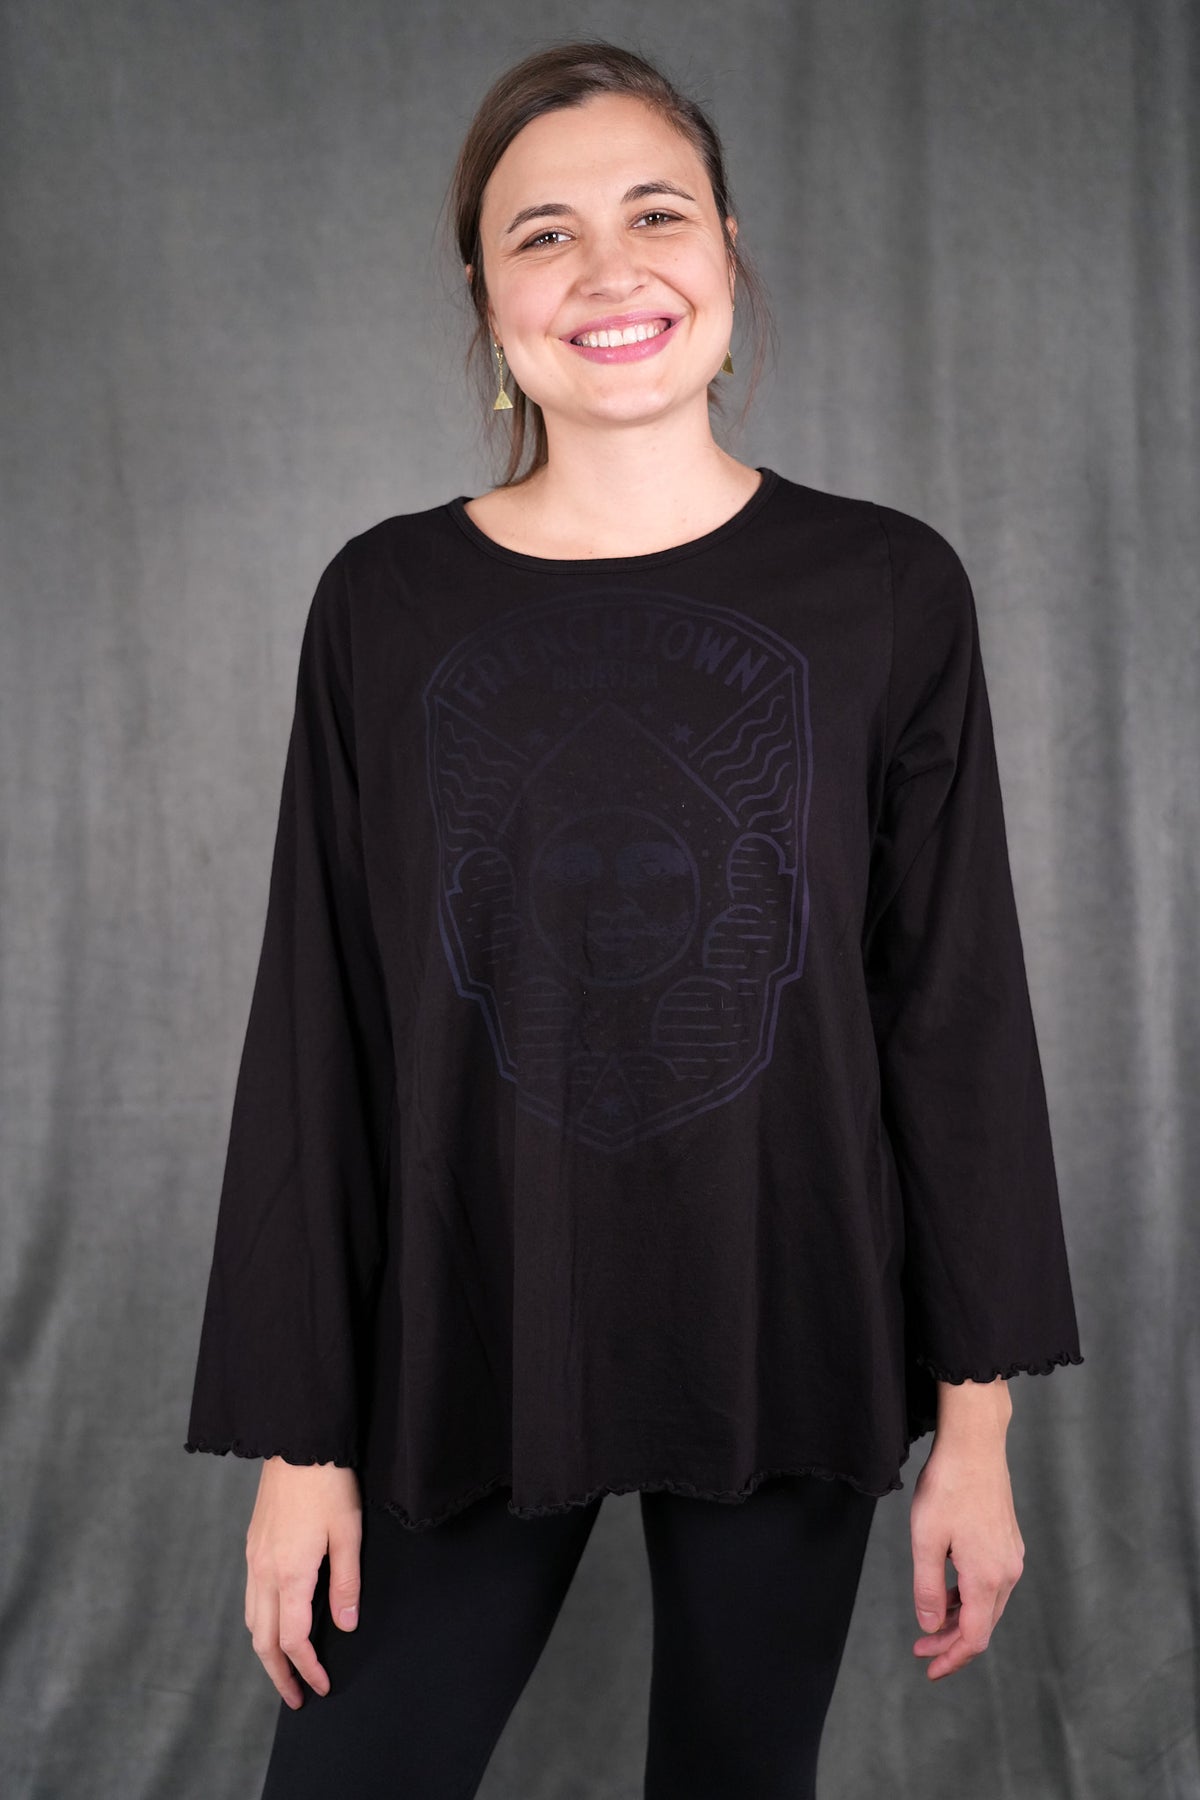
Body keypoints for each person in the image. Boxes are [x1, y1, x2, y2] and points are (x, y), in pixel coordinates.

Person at [184, 39, 1083, 1800]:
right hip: (458, 1331)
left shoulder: (886, 588)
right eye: (545, 234)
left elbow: (951, 1017)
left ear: (728, 250)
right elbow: (323, 1032)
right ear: (485, 297)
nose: (610, 269)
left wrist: (976, 1435)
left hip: (788, 1315)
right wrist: (299, 1448)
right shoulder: (384, 604)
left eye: (656, 214)